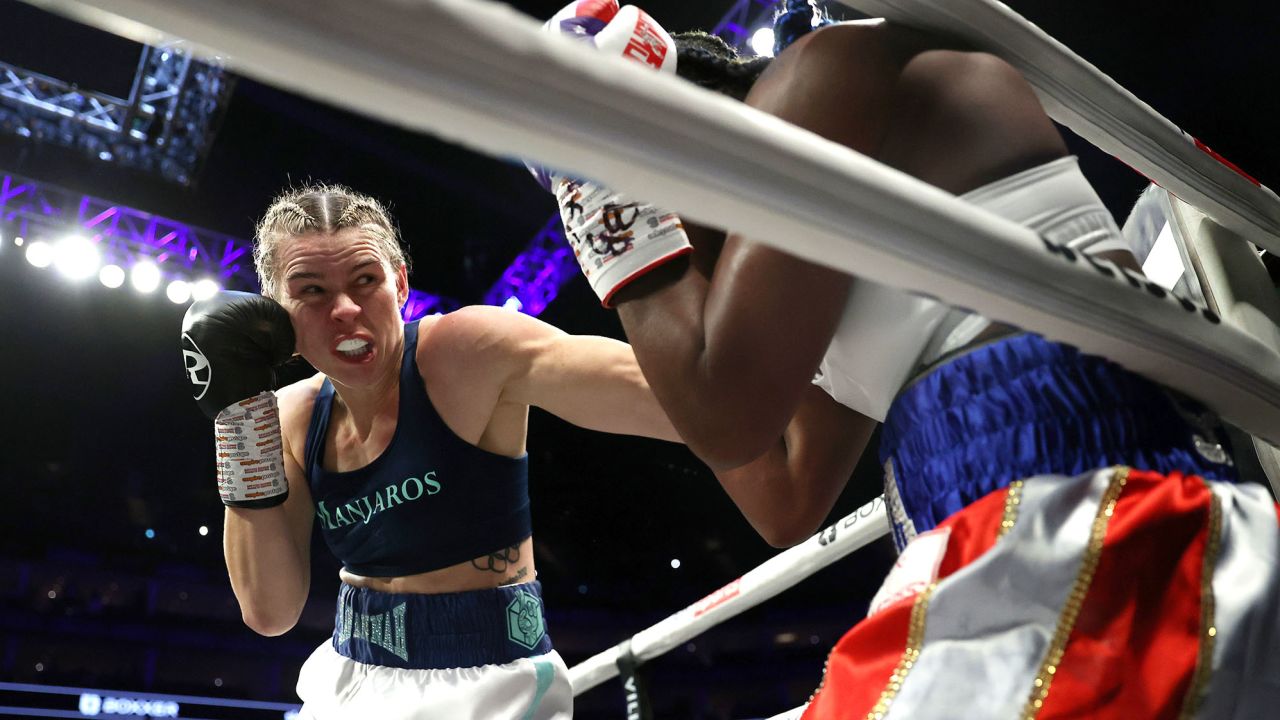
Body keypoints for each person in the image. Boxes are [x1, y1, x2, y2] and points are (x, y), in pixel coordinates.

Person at [542, 1, 1280, 717]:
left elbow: (724, 416)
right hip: (991, 534)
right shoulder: (812, 280)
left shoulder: (820, 76)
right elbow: (781, 497)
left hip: (1075, 507)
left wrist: (611, 205)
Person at [179, 183, 685, 719]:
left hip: (490, 681)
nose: (345, 309)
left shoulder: (469, 353)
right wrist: (239, 427)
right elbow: (270, 611)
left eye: (365, 280)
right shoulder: (287, 419)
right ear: (276, 316)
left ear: (399, 284)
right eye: (312, 291)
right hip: (349, 676)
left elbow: (682, 401)